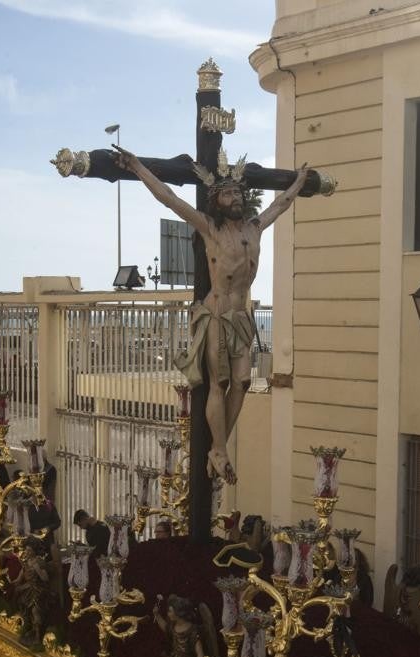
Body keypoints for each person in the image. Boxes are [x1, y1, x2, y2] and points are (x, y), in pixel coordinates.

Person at [115, 145, 308, 484]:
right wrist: (138, 167)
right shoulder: (210, 229)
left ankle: (219, 448)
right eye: (228, 193)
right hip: (217, 314)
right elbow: (170, 199)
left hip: (242, 318)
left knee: (244, 382)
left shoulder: (254, 227)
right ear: (216, 200)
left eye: (238, 192)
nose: (235, 196)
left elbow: (281, 204)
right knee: (219, 383)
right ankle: (219, 450)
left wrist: (299, 182)